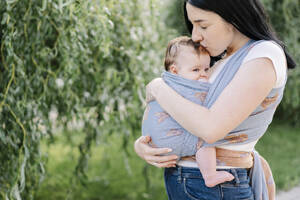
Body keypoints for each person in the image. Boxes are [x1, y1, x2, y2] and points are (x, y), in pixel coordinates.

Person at [135, 0, 296, 199]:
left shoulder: (263, 55)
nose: (195, 35)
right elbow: (183, 109)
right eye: (192, 25)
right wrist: (147, 143)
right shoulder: (220, 59)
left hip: (215, 185)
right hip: (188, 178)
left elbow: (210, 128)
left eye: (203, 25)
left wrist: (157, 87)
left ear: (233, 16)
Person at [142, 36, 235, 188]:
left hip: (154, 140)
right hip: (169, 140)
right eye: (196, 69)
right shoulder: (186, 86)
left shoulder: (165, 83)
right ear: (175, 71)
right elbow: (204, 115)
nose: (203, 74)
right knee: (205, 139)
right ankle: (210, 175)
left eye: (206, 69)